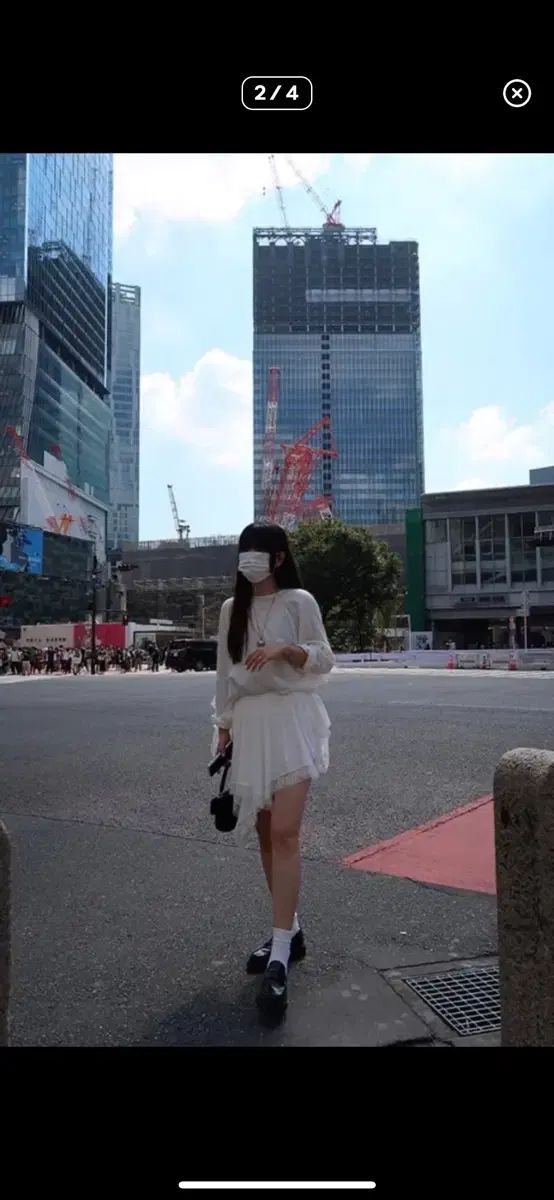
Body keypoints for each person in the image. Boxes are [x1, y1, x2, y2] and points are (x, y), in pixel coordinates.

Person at [213, 522, 334, 1019]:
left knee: (285, 831)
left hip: (292, 720)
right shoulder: (231, 609)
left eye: (259, 551)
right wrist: (223, 728)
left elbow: (324, 658)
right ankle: (290, 931)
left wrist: (286, 649)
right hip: (250, 724)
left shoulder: (299, 601)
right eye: (245, 550)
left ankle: (280, 952)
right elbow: (225, 673)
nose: (250, 559)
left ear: (279, 558)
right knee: (266, 834)